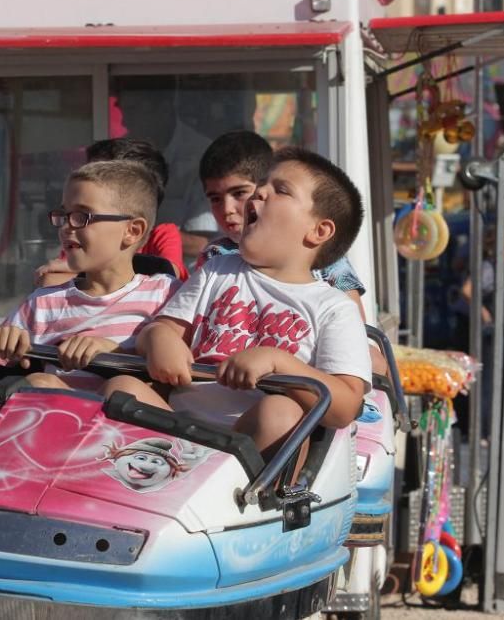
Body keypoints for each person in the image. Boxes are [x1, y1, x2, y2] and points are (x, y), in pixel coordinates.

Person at [103, 148, 372, 457]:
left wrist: (278, 361)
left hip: (249, 454)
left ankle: (251, 501)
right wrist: (159, 340)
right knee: (122, 387)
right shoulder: (217, 270)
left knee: (281, 413)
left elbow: (347, 406)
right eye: (261, 185)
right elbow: (163, 327)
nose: (260, 193)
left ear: (318, 230)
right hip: (177, 429)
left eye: (280, 190)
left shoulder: (334, 307)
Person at [0, 161, 179, 390]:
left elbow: (184, 373)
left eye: (82, 216)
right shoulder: (44, 303)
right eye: (64, 215)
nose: (66, 226)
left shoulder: (167, 295)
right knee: (40, 383)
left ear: (132, 231)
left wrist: (113, 353)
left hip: (132, 423)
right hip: (56, 420)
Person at [196, 130, 387, 374]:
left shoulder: (325, 260)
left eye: (239, 193)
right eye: (214, 198)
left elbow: (355, 336)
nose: (228, 209)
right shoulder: (215, 258)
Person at [35, 138, 187, 286]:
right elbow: (49, 280)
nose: (87, 178)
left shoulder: (163, 234)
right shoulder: (78, 237)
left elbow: (168, 276)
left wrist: (79, 269)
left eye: (101, 173)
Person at [114, 76, 218, 263]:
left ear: (163, 109)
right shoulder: (122, 155)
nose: (124, 122)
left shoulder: (202, 155)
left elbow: (203, 243)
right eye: (122, 110)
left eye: (133, 110)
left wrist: (138, 234)